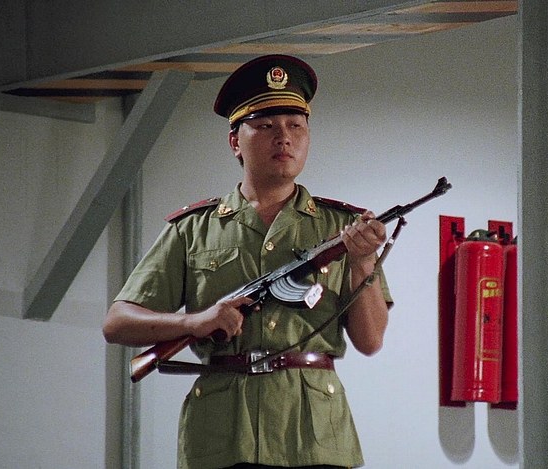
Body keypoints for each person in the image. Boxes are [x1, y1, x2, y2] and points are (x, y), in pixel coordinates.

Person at [102, 54, 392, 469]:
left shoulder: (343, 229)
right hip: (224, 431)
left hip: (313, 433)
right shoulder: (194, 228)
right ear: (235, 141)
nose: (284, 138)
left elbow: (370, 340)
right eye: (266, 126)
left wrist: (362, 262)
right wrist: (195, 322)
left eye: (295, 126)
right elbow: (117, 323)